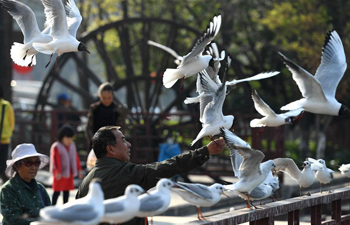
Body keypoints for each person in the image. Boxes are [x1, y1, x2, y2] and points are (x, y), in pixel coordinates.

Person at [76, 126, 226, 225]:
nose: (129, 144)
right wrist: (205, 152)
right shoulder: (129, 174)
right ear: (111, 149)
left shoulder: (85, 184)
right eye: (123, 140)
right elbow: (168, 167)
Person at [0, 143, 51, 225]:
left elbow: (50, 213)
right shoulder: (8, 189)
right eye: (28, 163)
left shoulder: (40, 188)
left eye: (37, 163)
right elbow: (14, 220)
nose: (34, 167)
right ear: (17, 166)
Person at [85, 82, 126, 147]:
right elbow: (88, 128)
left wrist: (116, 142)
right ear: (100, 96)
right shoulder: (94, 108)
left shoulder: (118, 110)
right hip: (97, 144)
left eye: (109, 98)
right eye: (104, 98)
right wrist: (93, 141)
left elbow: (122, 128)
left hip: (113, 144)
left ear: (113, 96)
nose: (106, 100)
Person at [50, 124, 83, 205]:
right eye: (68, 138)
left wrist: (79, 170)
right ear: (62, 137)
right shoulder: (57, 146)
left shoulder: (72, 146)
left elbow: (76, 158)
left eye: (71, 138)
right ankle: (52, 206)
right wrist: (58, 171)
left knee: (66, 191)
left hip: (69, 173)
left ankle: (65, 206)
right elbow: (55, 159)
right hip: (59, 173)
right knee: (56, 191)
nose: (70, 141)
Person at [0, 85, 15, 184]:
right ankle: (4, 182)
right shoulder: (7, 105)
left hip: (4, 139)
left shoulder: (6, 105)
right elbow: (12, 123)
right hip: (4, 139)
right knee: (3, 162)